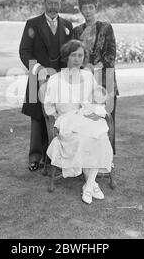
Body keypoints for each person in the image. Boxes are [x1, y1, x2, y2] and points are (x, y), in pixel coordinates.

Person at [43, 40, 113, 204]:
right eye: (73, 55)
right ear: (67, 56)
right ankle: (92, 184)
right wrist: (55, 121)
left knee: (100, 136)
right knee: (83, 138)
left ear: (84, 58)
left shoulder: (88, 76)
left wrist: (95, 106)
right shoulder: (55, 79)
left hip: (85, 117)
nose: (76, 59)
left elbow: (98, 99)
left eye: (80, 55)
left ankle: (89, 186)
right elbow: (48, 106)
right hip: (66, 120)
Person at [19, 0, 73, 172]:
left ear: (60, 4)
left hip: (60, 80)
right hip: (38, 77)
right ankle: (35, 157)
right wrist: (38, 69)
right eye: (50, 3)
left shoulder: (67, 25)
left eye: (56, 3)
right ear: (44, 3)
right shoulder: (32, 24)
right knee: (37, 118)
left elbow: (70, 53)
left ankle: (53, 158)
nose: (53, 7)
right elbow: (24, 51)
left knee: (56, 117)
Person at [73, 0, 119, 155]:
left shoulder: (106, 28)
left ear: (96, 8)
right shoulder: (77, 31)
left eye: (90, 7)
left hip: (105, 79)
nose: (88, 11)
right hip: (84, 80)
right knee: (87, 116)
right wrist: (85, 67)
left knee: (107, 117)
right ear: (80, 10)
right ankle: (89, 155)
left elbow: (111, 53)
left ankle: (108, 155)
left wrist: (96, 66)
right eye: (84, 8)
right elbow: (75, 54)